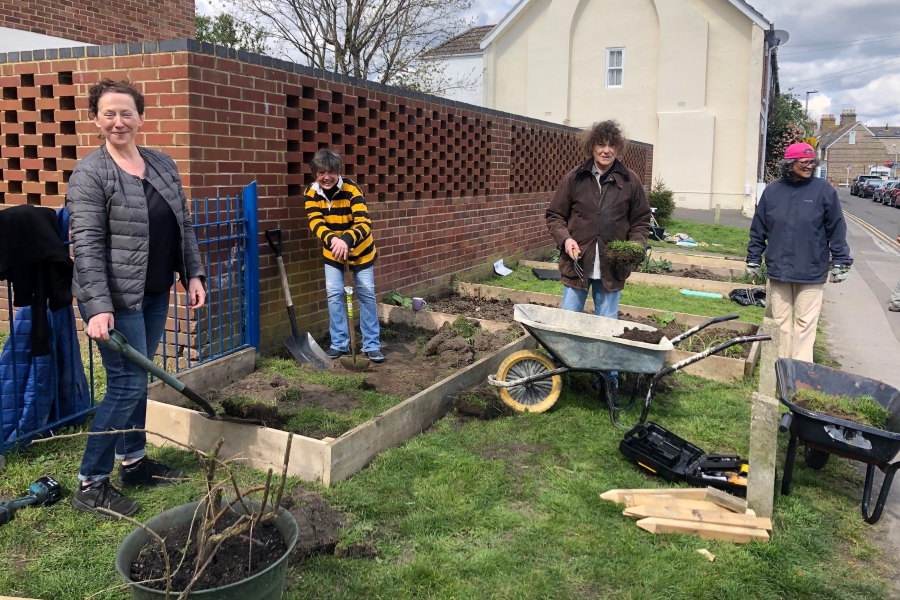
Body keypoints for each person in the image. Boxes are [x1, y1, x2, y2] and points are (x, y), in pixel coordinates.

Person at [67, 79, 206, 517]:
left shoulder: (162, 164)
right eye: (108, 113)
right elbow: (86, 243)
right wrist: (98, 306)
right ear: (96, 120)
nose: (118, 121)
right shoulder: (91, 173)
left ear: (141, 118)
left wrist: (194, 274)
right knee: (126, 384)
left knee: (138, 382)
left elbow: (183, 224)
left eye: (126, 112)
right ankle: (90, 483)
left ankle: (133, 461)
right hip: (115, 300)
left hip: (154, 291)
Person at [546, 120, 652, 389]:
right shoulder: (576, 178)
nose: (606, 150)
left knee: (608, 325)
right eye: (601, 144)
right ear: (592, 146)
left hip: (611, 268)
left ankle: (608, 379)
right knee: (568, 321)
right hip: (577, 264)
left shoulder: (629, 180)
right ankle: (553, 373)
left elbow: (641, 221)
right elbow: (555, 215)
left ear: (618, 147)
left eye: (611, 145)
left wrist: (636, 246)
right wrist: (566, 238)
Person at [746, 142, 852, 362]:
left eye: (812, 162)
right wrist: (753, 259)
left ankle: (801, 373)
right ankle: (782, 368)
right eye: (804, 162)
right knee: (781, 324)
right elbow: (759, 228)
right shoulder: (772, 191)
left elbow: (836, 228)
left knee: (805, 325)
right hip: (779, 269)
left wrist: (841, 260)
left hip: (811, 270)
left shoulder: (824, 191)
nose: (809, 166)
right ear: (789, 163)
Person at [304, 149, 384, 363]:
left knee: (366, 294)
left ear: (338, 172)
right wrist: (333, 241)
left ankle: (371, 345)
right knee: (334, 293)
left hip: (361, 252)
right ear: (315, 174)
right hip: (333, 253)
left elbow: (363, 223)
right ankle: (339, 343)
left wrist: (345, 240)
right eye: (321, 172)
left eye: (331, 171)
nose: (326, 177)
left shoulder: (351, 190)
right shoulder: (311, 194)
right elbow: (316, 223)